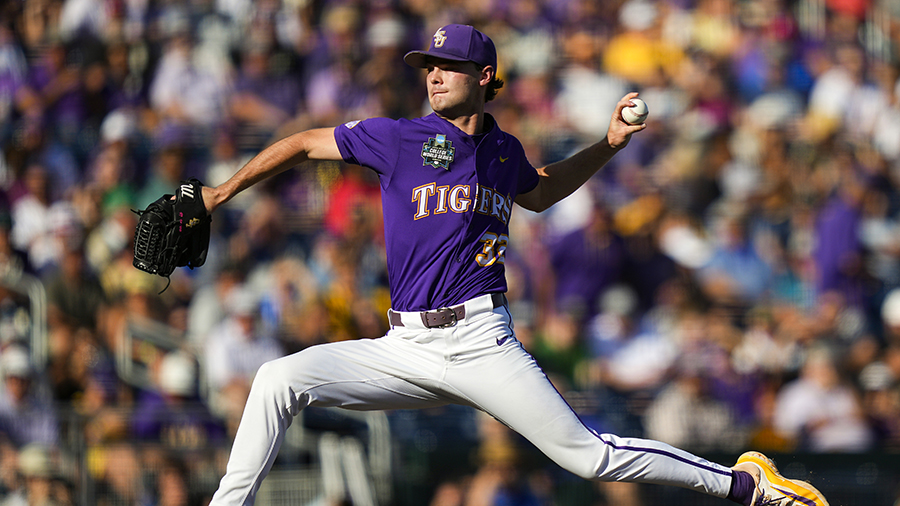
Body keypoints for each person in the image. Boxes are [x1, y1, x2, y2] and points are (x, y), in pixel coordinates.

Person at [198, 24, 829, 506]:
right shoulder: (399, 137)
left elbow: (542, 191)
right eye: (429, 66)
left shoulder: (503, 151)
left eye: (449, 65)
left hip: (481, 340)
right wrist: (221, 193)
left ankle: (745, 485)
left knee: (590, 458)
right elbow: (304, 143)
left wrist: (608, 145)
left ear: (484, 76)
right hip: (404, 343)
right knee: (277, 379)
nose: (434, 75)